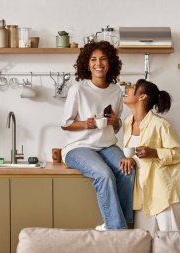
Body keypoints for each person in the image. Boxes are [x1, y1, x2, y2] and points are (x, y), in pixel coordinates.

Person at [61, 41, 134, 230]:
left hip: (106, 145)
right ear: (87, 64)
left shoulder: (116, 91)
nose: (98, 63)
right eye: (93, 59)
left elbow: (117, 126)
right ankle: (118, 230)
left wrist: (114, 121)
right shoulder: (78, 89)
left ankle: (122, 223)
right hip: (79, 147)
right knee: (104, 174)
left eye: (103, 59)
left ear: (110, 63)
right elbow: (66, 124)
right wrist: (87, 123)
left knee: (128, 171)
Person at [119, 79, 180, 235]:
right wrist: (129, 159)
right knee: (143, 242)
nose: (128, 89)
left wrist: (154, 152)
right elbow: (133, 154)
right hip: (143, 195)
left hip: (164, 194)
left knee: (171, 243)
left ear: (142, 97)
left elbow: (179, 153)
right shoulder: (128, 123)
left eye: (133, 87)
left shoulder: (160, 124)